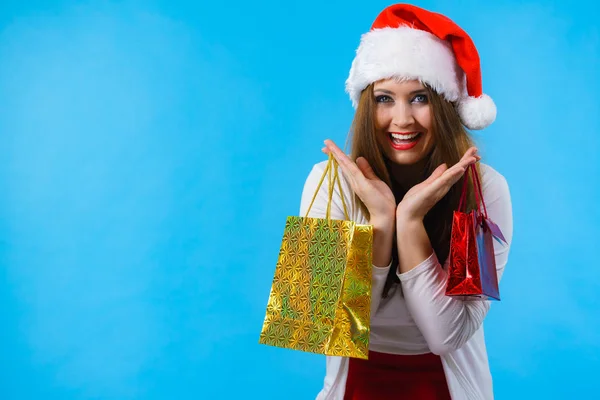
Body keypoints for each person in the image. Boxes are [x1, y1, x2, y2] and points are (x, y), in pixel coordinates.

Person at [298, 4, 513, 400]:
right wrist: (381, 225)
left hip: (448, 387)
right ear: (366, 104)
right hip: (355, 386)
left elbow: (447, 337)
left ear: (447, 106)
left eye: (419, 98)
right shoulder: (326, 182)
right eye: (383, 98)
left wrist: (409, 222)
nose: (402, 119)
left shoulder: (482, 190)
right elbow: (317, 326)